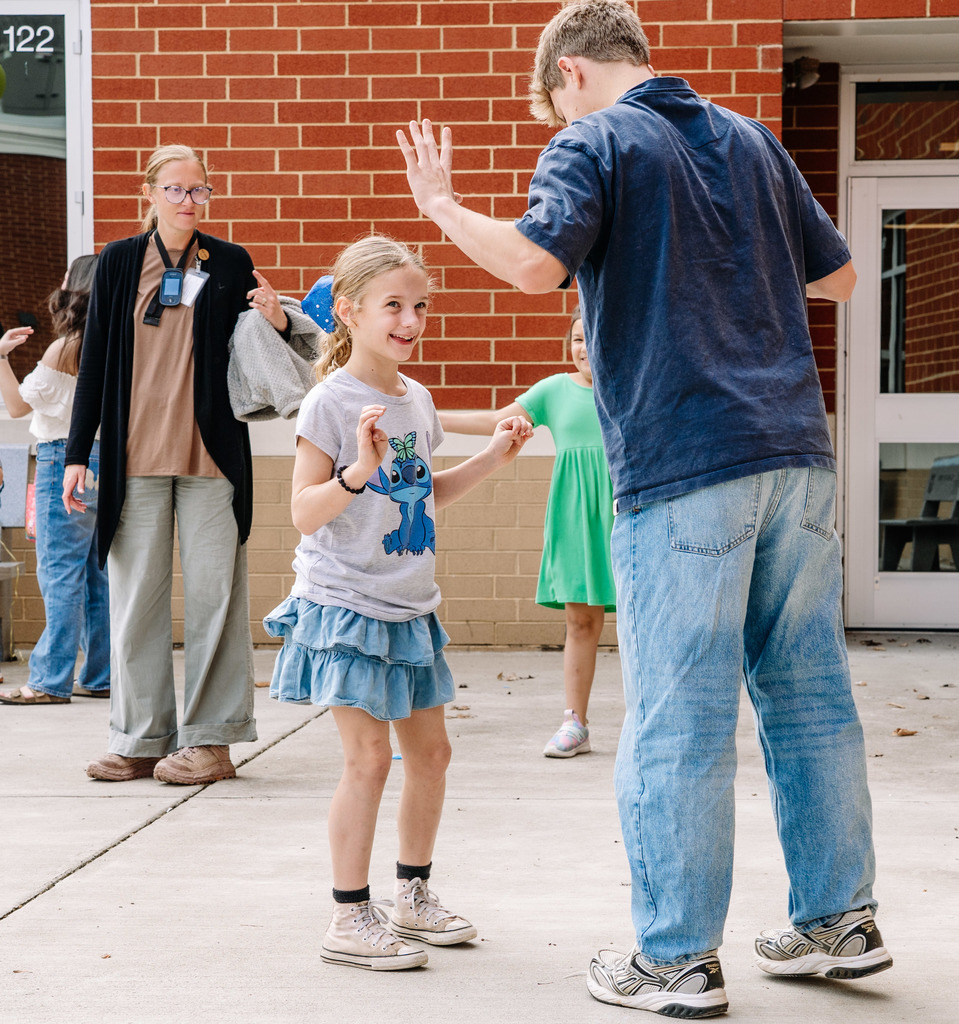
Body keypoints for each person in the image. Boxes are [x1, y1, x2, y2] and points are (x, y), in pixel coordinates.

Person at [397, 0, 890, 1016]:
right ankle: (837, 922)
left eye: (545, 111)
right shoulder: (752, 141)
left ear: (568, 73)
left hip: (682, 463)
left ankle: (672, 959)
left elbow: (537, 264)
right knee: (808, 699)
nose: (550, 128)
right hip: (794, 455)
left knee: (678, 716)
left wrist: (442, 208)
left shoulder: (596, 137)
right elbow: (838, 278)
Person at [263, 235, 532, 971]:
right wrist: (357, 469)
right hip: (344, 604)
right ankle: (349, 916)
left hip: (410, 604)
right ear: (349, 311)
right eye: (394, 306)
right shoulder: (329, 401)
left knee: (432, 755)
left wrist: (492, 457)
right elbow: (303, 513)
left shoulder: (414, 398)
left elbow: (425, 494)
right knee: (368, 760)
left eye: (420, 306)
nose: (410, 319)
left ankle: (411, 897)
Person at [63, 143, 279, 785]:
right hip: (134, 460)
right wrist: (78, 453)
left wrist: (278, 316)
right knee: (136, 601)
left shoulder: (231, 261)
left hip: (213, 457)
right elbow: (95, 360)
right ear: (151, 193)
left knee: (217, 599)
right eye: (177, 189)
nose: (189, 201)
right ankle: (141, 739)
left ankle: (212, 742)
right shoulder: (120, 261)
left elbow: (265, 351)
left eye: (200, 190)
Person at [439, 306, 615, 757]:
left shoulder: (637, 383)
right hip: (576, 515)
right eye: (577, 338)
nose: (584, 347)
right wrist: (427, 415)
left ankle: (653, 723)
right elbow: (495, 420)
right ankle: (575, 723)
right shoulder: (555, 390)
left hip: (631, 509)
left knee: (645, 623)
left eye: (593, 335)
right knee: (580, 620)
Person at [0, 256, 110, 706]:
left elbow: (17, 407)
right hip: (105, 463)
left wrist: (1, 357)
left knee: (59, 573)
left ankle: (48, 680)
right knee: (96, 576)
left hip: (62, 460)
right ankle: (101, 675)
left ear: (77, 287)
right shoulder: (114, 343)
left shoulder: (65, 348)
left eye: (66, 275)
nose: (59, 281)